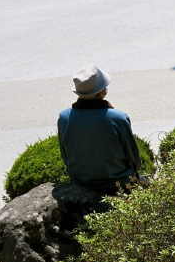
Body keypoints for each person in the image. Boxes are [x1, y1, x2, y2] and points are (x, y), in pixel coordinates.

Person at [57, 64, 146, 194]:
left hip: (81, 181)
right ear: (101, 93)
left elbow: (65, 156)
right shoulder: (118, 118)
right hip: (118, 183)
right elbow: (133, 159)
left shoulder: (64, 117)